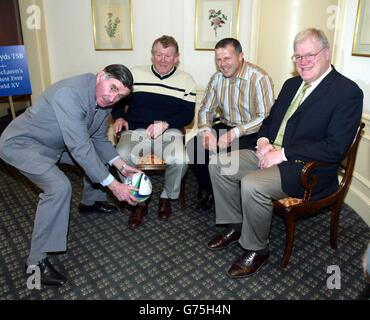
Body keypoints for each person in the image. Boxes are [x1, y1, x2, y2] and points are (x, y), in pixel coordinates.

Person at [207, 28, 363, 278]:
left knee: (252, 184)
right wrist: (263, 142)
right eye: (298, 57)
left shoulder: (347, 92)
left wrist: (283, 153)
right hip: (270, 154)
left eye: (309, 55)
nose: (303, 62)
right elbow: (270, 121)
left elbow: (335, 147)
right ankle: (236, 225)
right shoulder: (292, 84)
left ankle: (257, 249)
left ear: (326, 53)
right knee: (218, 164)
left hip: (306, 168)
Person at [0, 64, 142, 287]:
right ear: (101, 76)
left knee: (98, 159)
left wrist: (122, 166)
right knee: (59, 188)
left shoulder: (103, 101)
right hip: (22, 144)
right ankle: (35, 264)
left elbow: (98, 139)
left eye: (120, 95)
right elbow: (79, 148)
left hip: (55, 144)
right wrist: (115, 186)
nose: (113, 98)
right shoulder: (70, 94)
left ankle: (89, 202)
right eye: (112, 88)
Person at [111, 35, 196, 229]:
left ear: (176, 58)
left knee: (181, 159)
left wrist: (166, 123)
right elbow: (117, 101)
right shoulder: (135, 75)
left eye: (168, 55)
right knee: (120, 156)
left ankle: (166, 195)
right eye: (158, 54)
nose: (162, 59)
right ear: (152, 55)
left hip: (168, 133)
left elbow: (188, 115)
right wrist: (119, 117)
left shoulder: (186, 81)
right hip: (135, 131)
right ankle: (139, 199)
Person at [187, 38, 274, 211]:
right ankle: (215, 192)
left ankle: (234, 201)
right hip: (226, 125)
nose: (222, 64)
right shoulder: (217, 78)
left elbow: (266, 117)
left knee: (225, 157)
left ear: (240, 56)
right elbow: (205, 110)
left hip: (254, 132)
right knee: (194, 148)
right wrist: (206, 131)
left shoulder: (259, 78)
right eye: (218, 59)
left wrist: (235, 133)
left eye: (227, 58)